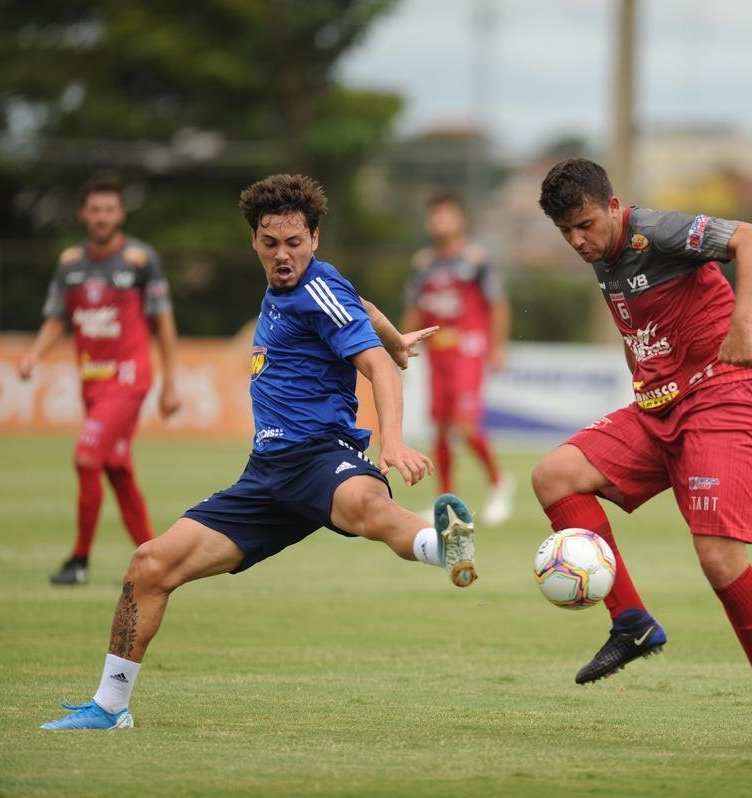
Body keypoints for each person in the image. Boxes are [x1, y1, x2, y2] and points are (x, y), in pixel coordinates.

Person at [41, 174, 478, 731]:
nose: (283, 254)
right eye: (271, 243)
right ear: (254, 242)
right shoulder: (292, 291)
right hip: (265, 477)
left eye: (295, 242)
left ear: (315, 238)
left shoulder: (316, 285)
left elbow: (376, 369)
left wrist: (391, 434)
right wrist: (395, 338)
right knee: (148, 566)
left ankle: (447, 545)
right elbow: (361, 306)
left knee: (372, 511)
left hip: (321, 459)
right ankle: (109, 708)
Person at [533, 158, 752, 751]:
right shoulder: (604, 259)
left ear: (612, 206)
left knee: (719, 561)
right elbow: (642, 336)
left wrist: (744, 323)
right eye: (565, 233)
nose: (578, 241)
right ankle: (631, 622)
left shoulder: (659, 231)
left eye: (584, 225)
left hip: (726, 394)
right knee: (554, 476)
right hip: (661, 407)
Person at [18, 174, 181, 586]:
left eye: (109, 209)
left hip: (128, 381)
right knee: (116, 468)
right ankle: (154, 555)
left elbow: (163, 321)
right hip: (92, 383)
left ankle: (79, 561)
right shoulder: (71, 265)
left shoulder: (140, 261)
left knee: (86, 457)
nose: (102, 217)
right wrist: (35, 355)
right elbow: (58, 318)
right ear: (83, 214)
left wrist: (171, 382)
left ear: (120, 213)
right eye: (95, 209)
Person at [401, 193, 514, 525]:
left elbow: (498, 303)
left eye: (447, 216)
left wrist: (499, 345)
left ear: (460, 219)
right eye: (435, 216)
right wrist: (399, 348)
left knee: (465, 424)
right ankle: (445, 500)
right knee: (441, 427)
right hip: (438, 353)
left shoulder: (476, 260)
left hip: (469, 349)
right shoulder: (424, 265)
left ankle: (498, 481)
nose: (441, 222)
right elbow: (413, 309)